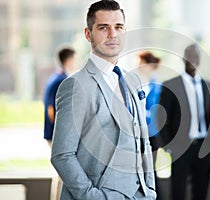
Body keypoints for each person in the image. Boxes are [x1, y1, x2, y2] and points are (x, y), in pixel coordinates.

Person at [50, 1, 156, 199]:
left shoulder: (132, 80)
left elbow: (144, 142)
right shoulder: (75, 85)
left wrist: (149, 190)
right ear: (88, 34)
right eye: (103, 27)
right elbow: (62, 155)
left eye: (119, 27)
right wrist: (93, 196)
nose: (113, 34)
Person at [158, 43, 210, 200]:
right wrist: (169, 146)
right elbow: (161, 118)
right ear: (183, 59)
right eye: (189, 56)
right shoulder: (171, 85)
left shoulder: (207, 85)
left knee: (201, 190)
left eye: (196, 56)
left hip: (204, 147)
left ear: (200, 60)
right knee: (178, 191)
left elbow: (209, 116)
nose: (193, 60)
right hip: (181, 147)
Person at [137, 51, 162, 199]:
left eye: (141, 63)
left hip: (152, 134)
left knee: (150, 170)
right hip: (139, 133)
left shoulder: (157, 86)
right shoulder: (140, 84)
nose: (138, 66)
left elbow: (155, 111)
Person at [43, 47, 77, 146]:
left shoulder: (58, 77)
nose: (77, 63)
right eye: (76, 59)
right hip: (57, 132)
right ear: (69, 61)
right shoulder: (60, 81)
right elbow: (51, 108)